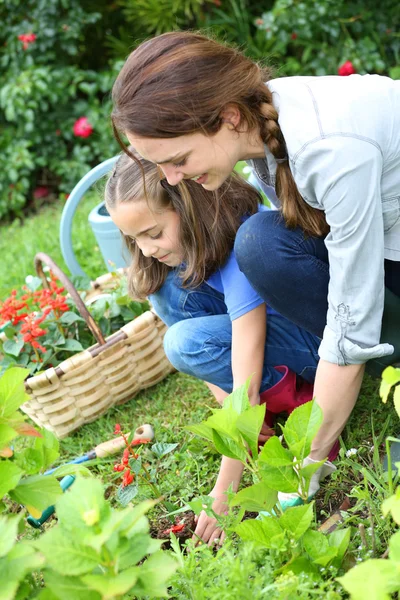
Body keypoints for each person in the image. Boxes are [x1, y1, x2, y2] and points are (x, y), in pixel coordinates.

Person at [110, 31, 400, 505]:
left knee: (261, 244)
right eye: (161, 166)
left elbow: (353, 323)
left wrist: (301, 474)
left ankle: (357, 386)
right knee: (258, 245)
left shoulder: (331, 151)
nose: (173, 180)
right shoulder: (268, 130)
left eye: (178, 160)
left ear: (227, 116)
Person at [104, 150, 331, 544]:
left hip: (311, 340)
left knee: (184, 343)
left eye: (154, 234)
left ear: (188, 207)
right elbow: (215, 368)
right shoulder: (177, 249)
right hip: (268, 339)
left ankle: (305, 400)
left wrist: (227, 482)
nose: (145, 249)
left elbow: (246, 344)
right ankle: (263, 413)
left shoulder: (235, 233)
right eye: (133, 238)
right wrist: (235, 413)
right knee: (166, 290)